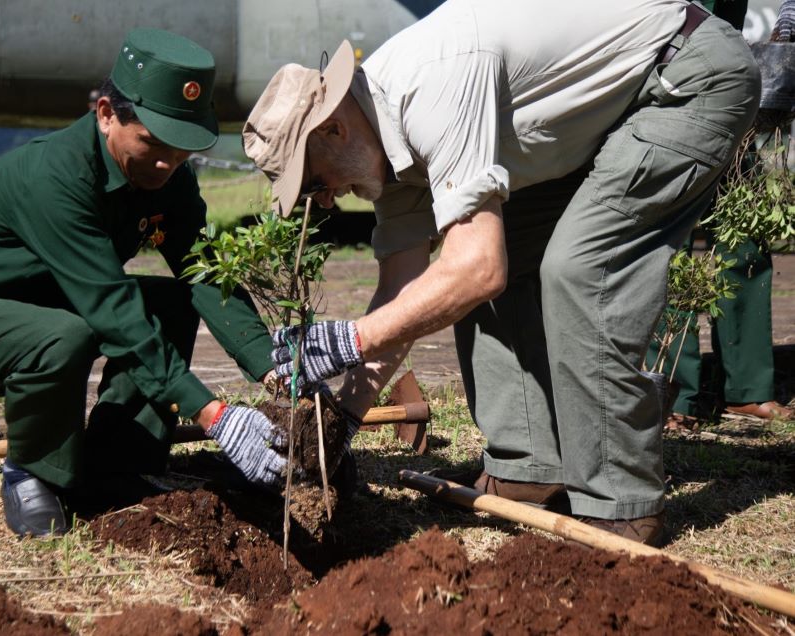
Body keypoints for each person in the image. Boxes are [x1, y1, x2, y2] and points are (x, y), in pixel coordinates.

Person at [243, 0, 760, 545]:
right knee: (492, 248)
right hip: (610, 110)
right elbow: (405, 293)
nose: (323, 199)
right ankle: (526, 467)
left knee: (579, 268)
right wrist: (337, 423)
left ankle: (620, 504)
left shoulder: (428, 87)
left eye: (312, 180)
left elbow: (477, 269)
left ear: (333, 131)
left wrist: (349, 339)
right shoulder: (382, 145)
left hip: (684, 76)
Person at [0, 29, 288, 538]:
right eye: (151, 142)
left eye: (182, 149)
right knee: (68, 336)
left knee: (170, 303)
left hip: (42, 304)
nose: (167, 162)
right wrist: (213, 414)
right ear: (107, 114)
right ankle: (32, 471)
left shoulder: (167, 177)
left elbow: (206, 272)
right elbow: (112, 310)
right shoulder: (58, 177)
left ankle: (117, 466)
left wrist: (273, 369)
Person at [650, 0, 794, 426]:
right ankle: (671, 391)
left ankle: (748, 390)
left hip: (729, 81)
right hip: (660, 82)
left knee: (742, 236)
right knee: (664, 242)